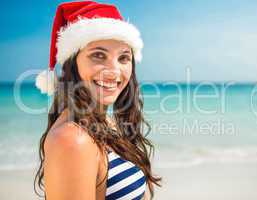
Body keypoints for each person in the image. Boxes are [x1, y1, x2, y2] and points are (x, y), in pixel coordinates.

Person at [33, 1, 161, 199]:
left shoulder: (105, 123)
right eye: (98, 55)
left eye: (123, 58)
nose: (114, 71)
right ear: (72, 64)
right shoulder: (73, 140)